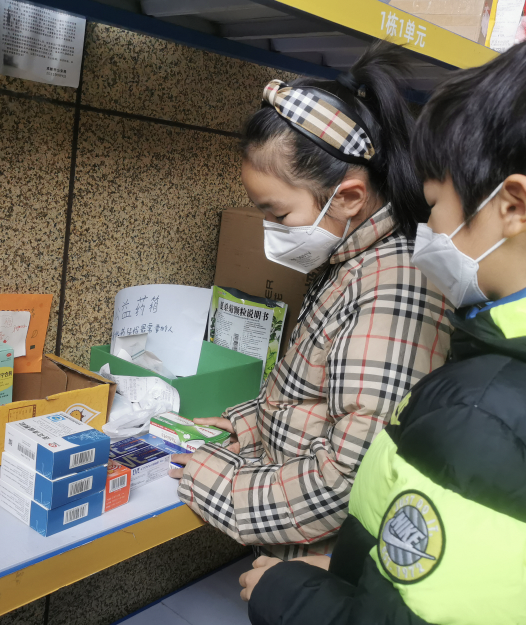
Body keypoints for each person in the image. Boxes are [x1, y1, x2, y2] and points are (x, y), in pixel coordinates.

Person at [239, 33, 526, 625]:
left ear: (513, 207)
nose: (428, 229)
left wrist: (284, 594)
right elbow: (490, 580)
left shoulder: (482, 420)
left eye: (436, 203)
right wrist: (355, 571)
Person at [170, 44, 451, 560]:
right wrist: (246, 424)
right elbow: (314, 400)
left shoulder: (394, 288)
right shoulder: (354, 258)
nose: (270, 231)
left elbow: (350, 478)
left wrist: (216, 482)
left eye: (278, 215)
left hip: (323, 564)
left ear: (348, 198)